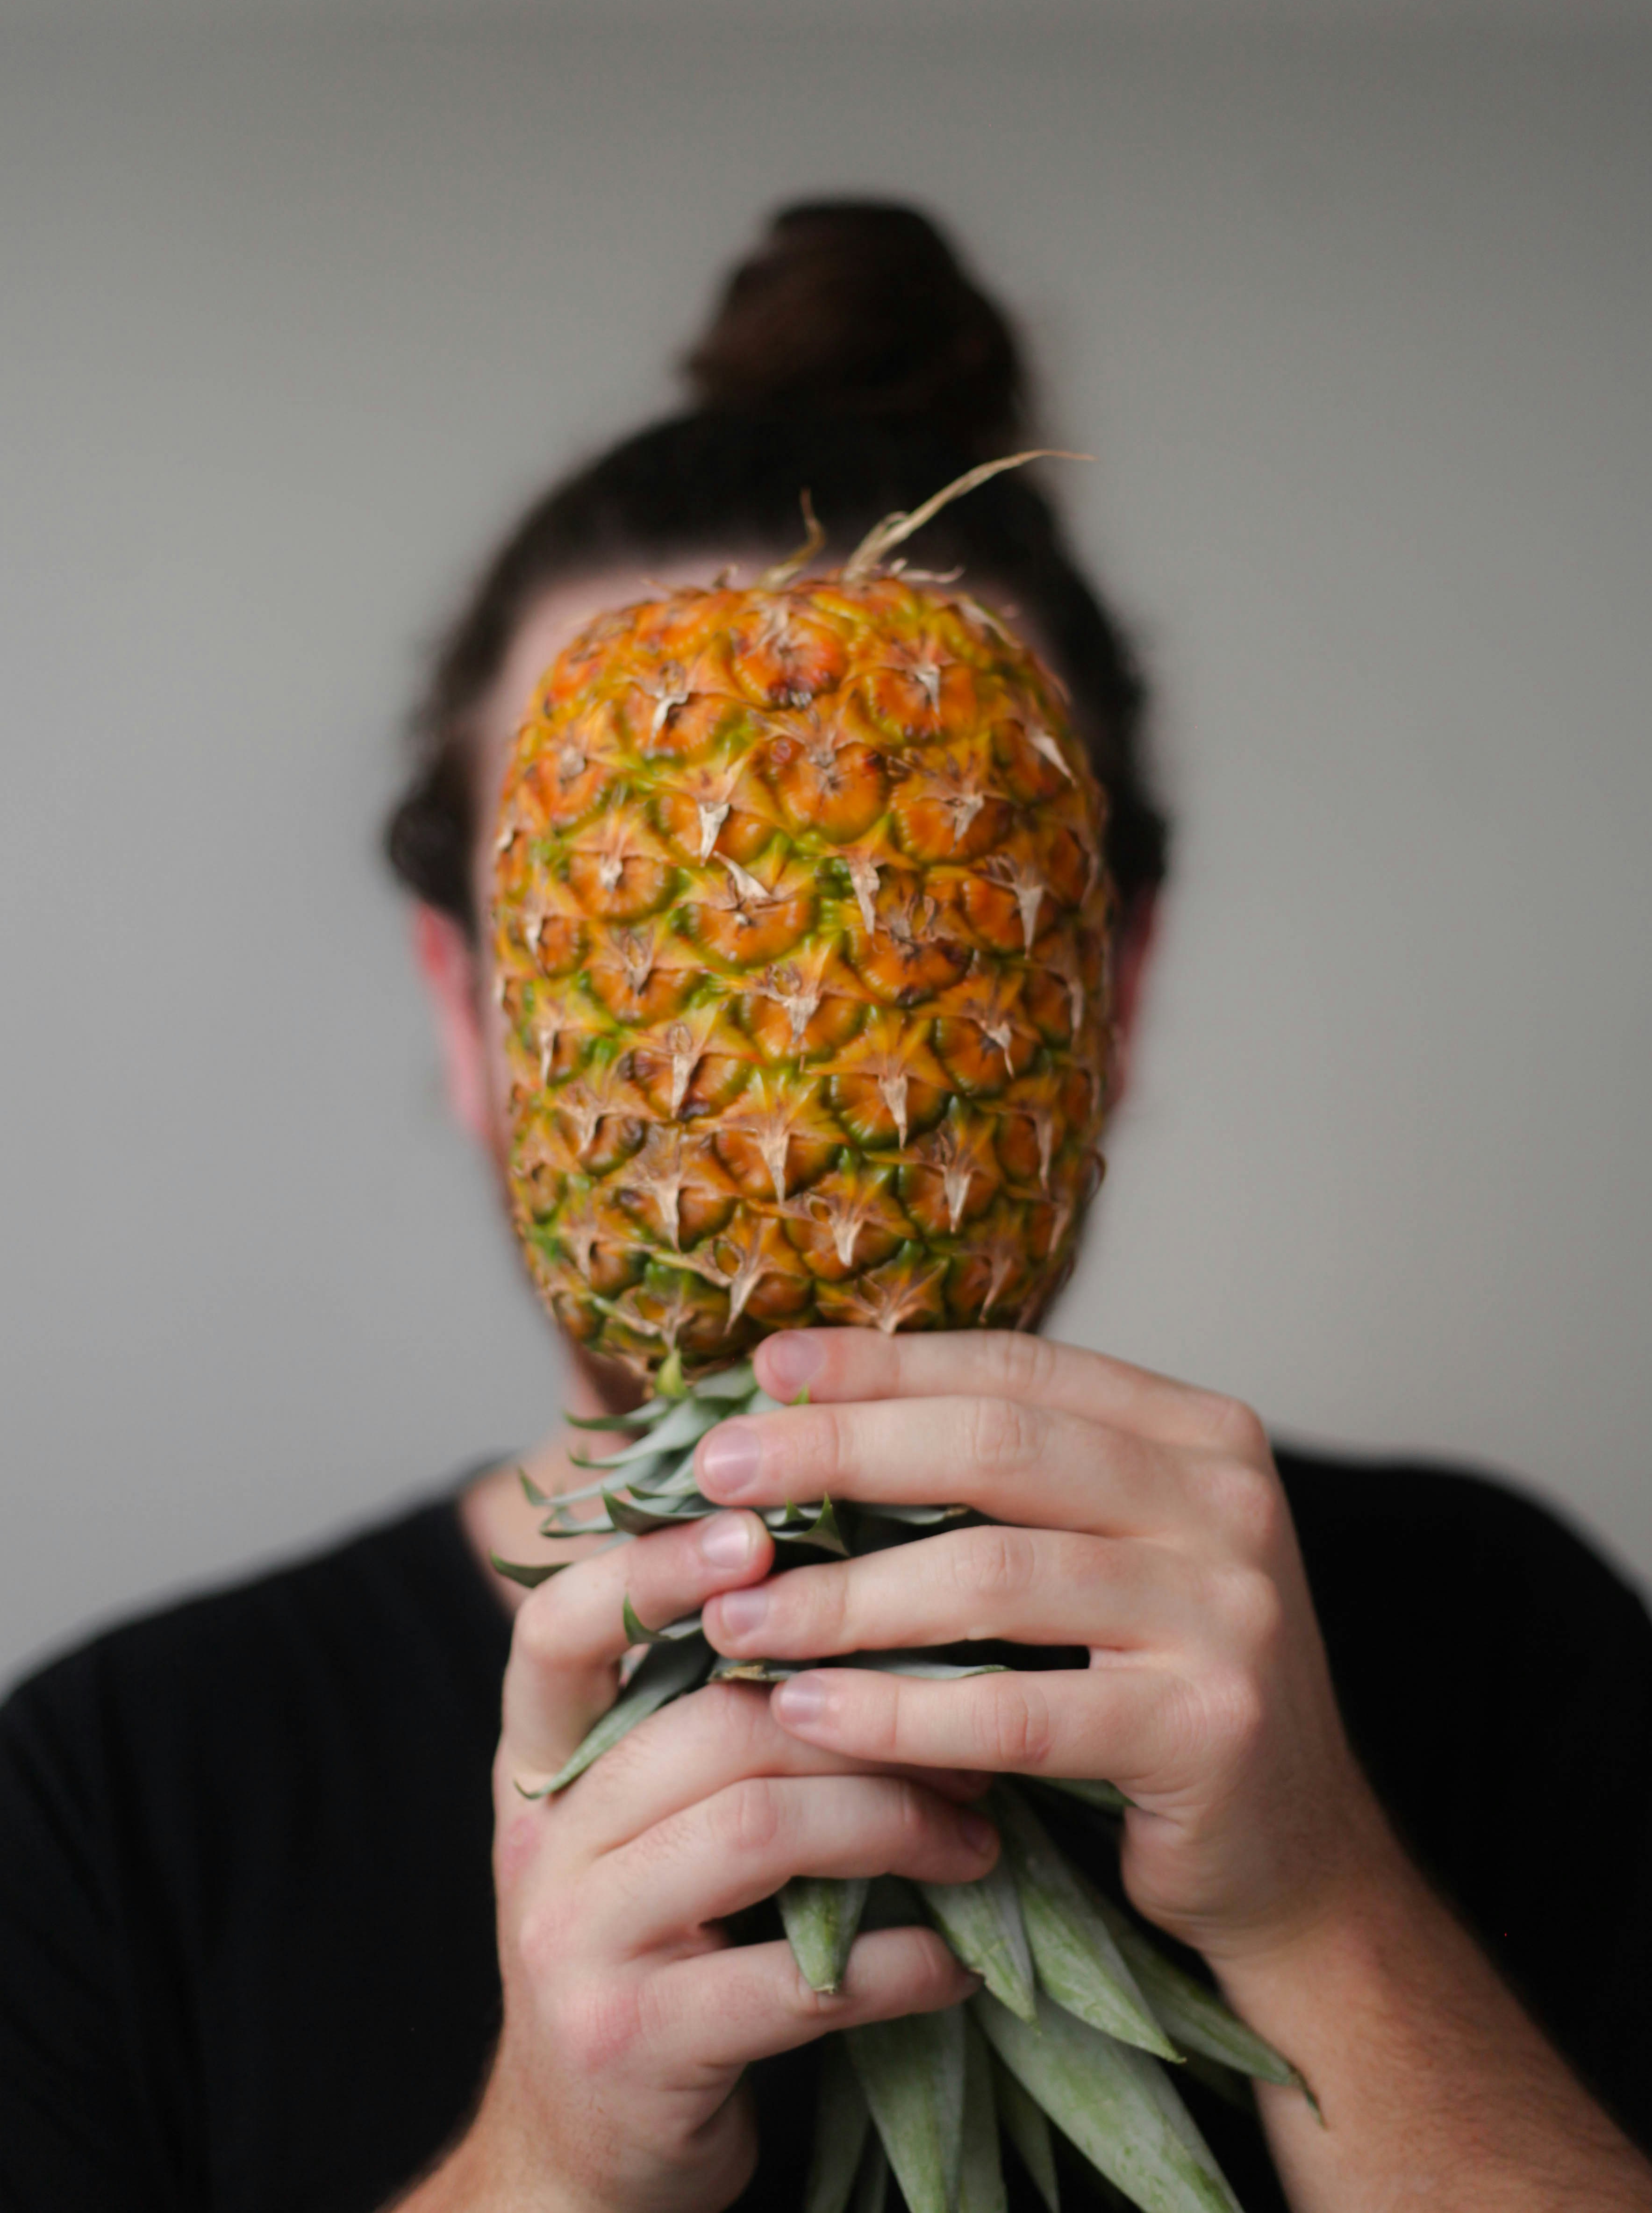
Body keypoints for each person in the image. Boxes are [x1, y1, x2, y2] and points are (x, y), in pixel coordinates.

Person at [2, 202, 1648, 2213]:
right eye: (659, 930)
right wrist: (543, 2172)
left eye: (905, 931)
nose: (788, 1069)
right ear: (471, 1008)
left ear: (1098, 992)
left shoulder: (1503, 1640)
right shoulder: (114, 1793)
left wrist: (1326, 1921)